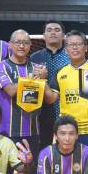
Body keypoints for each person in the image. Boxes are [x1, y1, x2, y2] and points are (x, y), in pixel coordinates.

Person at [0, 29, 57, 146]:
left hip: (33, 131)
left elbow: (50, 99)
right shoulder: (2, 66)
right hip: (7, 131)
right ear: (10, 45)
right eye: (18, 42)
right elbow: (11, 91)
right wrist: (33, 78)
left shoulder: (38, 68)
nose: (21, 46)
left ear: (30, 45)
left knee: (32, 159)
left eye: (25, 42)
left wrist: (42, 80)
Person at [53, 30, 88, 152]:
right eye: (70, 45)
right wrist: (41, 81)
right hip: (68, 131)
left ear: (86, 48)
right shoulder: (60, 72)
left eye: (78, 44)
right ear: (66, 49)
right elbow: (51, 98)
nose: (75, 47)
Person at [30, 20, 70, 148]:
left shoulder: (71, 57)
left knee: (66, 145)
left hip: (66, 107)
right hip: (41, 111)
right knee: (44, 147)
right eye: (49, 30)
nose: (53, 33)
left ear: (64, 36)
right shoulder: (34, 58)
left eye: (57, 30)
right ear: (44, 36)